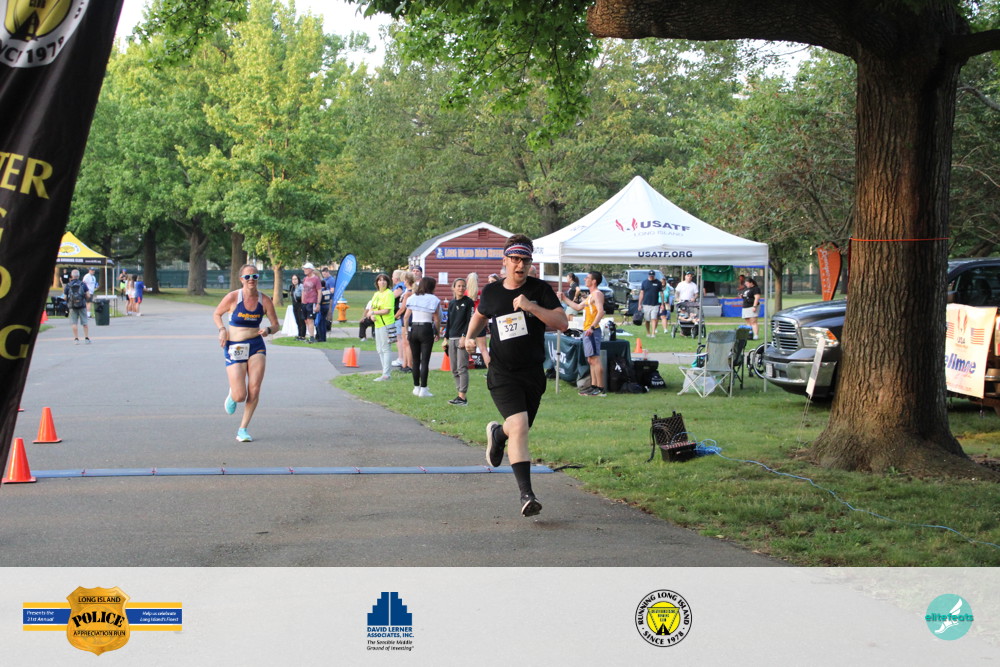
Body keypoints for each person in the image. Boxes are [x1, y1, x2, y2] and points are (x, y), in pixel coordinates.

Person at [464, 234, 568, 517]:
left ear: (531, 263)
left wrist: (531, 306)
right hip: (502, 372)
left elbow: (562, 323)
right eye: (515, 259)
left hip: (532, 373)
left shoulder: (540, 290)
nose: (520, 265)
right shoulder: (492, 291)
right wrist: (469, 337)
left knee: (518, 428)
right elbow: (481, 314)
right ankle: (527, 495)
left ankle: (498, 434)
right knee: (520, 425)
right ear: (505, 261)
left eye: (525, 260)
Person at [213, 265, 279, 442]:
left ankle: (243, 429)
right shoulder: (233, 297)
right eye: (247, 277)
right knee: (240, 395)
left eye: (254, 276)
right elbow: (217, 314)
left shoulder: (264, 300)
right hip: (235, 346)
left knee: (254, 389)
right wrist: (222, 330)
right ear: (241, 279)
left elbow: (276, 325)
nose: (251, 279)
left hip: (256, 346)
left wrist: (268, 330)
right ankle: (233, 393)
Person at [560, 271, 607, 396]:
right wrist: (564, 298)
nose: (585, 279)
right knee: (591, 359)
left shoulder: (597, 294)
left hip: (592, 330)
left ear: (594, 281)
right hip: (587, 330)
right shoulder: (591, 296)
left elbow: (601, 311)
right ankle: (593, 386)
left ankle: (600, 388)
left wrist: (592, 327)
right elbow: (577, 307)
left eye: (587, 278)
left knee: (595, 359)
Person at [404, 276, 442, 397]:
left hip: (414, 328)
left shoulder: (412, 297)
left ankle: (416, 387)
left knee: (415, 360)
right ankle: (424, 389)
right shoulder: (433, 299)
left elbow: (406, 317)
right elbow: (436, 318)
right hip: (426, 328)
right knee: (425, 361)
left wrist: (406, 331)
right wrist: (437, 332)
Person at [444, 277, 474, 405]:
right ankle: (459, 396)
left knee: (462, 368)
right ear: (454, 288)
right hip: (451, 338)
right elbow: (449, 322)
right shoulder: (451, 303)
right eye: (459, 286)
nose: (461, 288)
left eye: (463, 286)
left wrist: (464, 336)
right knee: (454, 369)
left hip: (462, 339)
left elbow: (470, 321)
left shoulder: (468, 302)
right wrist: (445, 338)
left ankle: (462, 397)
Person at [369, 273, 396, 381]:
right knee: (379, 349)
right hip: (378, 324)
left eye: (384, 280)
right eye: (380, 280)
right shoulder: (376, 294)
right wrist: (372, 315)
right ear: (377, 283)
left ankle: (386, 374)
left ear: (388, 282)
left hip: (386, 324)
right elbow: (371, 307)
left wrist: (373, 313)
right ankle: (384, 371)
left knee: (385, 348)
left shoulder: (389, 293)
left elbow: (386, 310)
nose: (382, 282)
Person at [64, 269, 91, 345]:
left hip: (72, 306)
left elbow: (65, 297)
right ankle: (86, 338)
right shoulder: (83, 284)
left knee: (74, 323)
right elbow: (88, 295)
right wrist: (83, 297)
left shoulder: (68, 285)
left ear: (71, 276)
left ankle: (76, 339)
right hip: (82, 305)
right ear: (79, 276)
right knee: (85, 322)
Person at [638, 269, 663, 337]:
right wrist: (639, 304)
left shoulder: (658, 282)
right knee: (647, 320)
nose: (651, 277)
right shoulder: (644, 282)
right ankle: (648, 332)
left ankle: (653, 333)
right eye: (650, 276)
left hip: (655, 304)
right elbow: (642, 293)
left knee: (654, 318)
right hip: (646, 304)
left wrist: (662, 304)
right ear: (648, 275)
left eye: (652, 276)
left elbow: (661, 293)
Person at [301, 262, 321, 342]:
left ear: (311, 269)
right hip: (305, 303)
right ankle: (310, 336)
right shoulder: (305, 279)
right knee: (306, 320)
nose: (304, 270)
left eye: (306, 269)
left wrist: (318, 304)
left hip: (312, 302)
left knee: (310, 319)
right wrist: (302, 301)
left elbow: (319, 291)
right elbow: (303, 290)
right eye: (304, 269)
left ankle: (312, 337)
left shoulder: (316, 279)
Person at [740, 275, 762, 340]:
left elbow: (757, 298)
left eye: (747, 283)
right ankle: (749, 334)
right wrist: (742, 296)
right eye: (745, 283)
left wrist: (754, 306)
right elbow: (747, 296)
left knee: (753, 321)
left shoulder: (756, 289)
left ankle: (756, 335)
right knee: (748, 321)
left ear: (751, 283)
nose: (746, 285)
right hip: (745, 306)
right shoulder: (747, 289)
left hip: (752, 306)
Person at [289, 273, 306, 340]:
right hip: (295, 305)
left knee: (301, 320)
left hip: (300, 305)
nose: (294, 281)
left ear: (298, 279)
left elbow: (303, 294)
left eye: (295, 279)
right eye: (293, 279)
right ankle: (299, 335)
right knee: (297, 321)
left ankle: (303, 336)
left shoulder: (301, 286)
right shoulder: (292, 287)